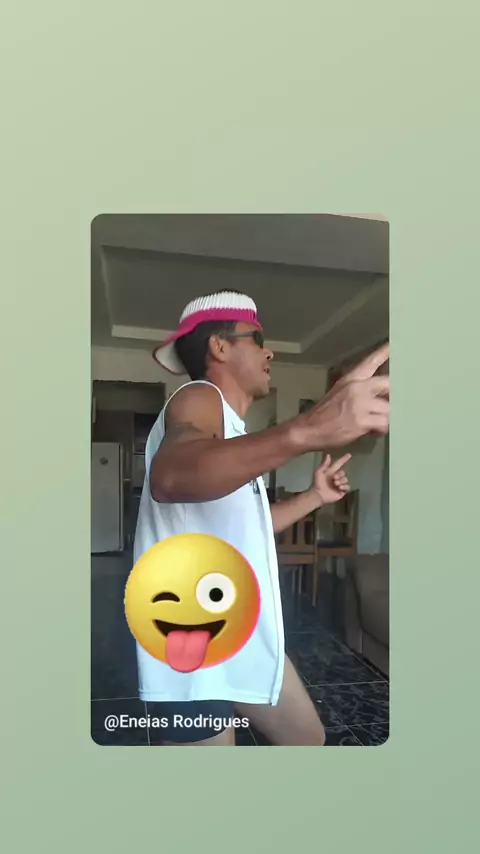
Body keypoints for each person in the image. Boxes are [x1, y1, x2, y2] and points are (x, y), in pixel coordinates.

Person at [133, 289, 389, 746]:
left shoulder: (232, 436)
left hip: (237, 627)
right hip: (191, 636)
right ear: (219, 346)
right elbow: (170, 477)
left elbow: (249, 528)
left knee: (307, 739)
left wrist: (314, 496)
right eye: (257, 339)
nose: (269, 352)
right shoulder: (198, 396)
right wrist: (306, 429)